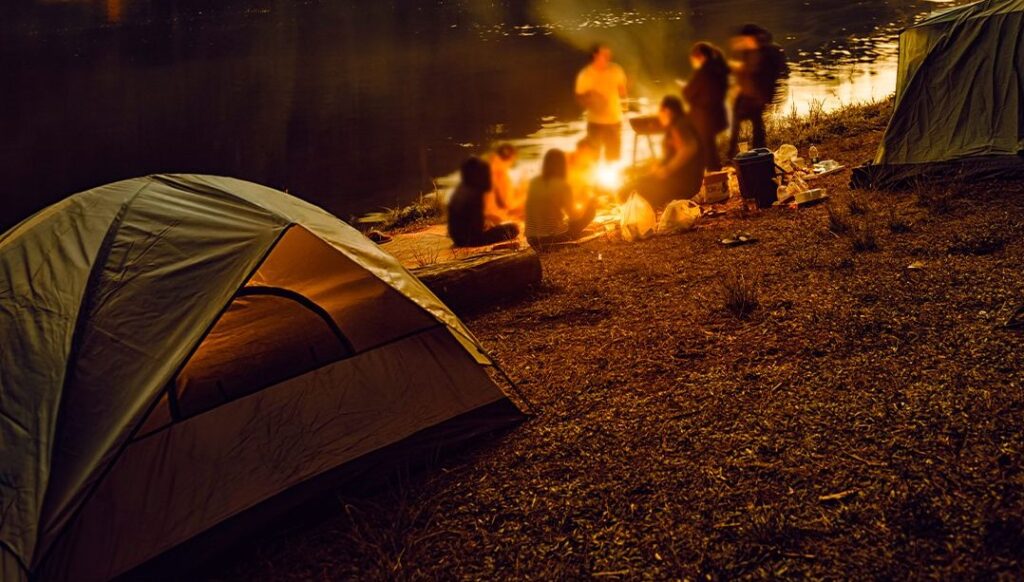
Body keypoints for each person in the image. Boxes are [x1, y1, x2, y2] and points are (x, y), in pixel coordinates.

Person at [625, 96, 705, 209]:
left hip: (684, 184)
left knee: (638, 188)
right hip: (684, 181)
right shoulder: (678, 125)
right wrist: (659, 167)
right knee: (641, 182)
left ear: (667, 111)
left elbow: (689, 147)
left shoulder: (680, 125)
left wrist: (667, 170)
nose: (659, 116)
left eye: (660, 112)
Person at [727, 24, 788, 159]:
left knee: (751, 121)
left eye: (743, 39)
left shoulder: (765, 52)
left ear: (750, 37)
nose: (741, 42)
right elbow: (749, 71)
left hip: (756, 95)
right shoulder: (753, 50)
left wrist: (736, 67)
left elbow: (757, 73)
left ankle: (752, 152)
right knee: (753, 121)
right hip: (749, 93)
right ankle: (754, 151)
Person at [525, 149, 597, 248]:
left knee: (563, 222)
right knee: (591, 210)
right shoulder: (563, 185)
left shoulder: (534, 182)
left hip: (531, 239)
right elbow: (574, 216)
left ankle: (574, 233)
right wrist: (587, 203)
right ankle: (573, 234)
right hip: (550, 238)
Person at [448, 157, 520, 247]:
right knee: (514, 228)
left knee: (498, 221)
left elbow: (470, 219)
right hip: (471, 240)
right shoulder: (475, 194)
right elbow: (477, 228)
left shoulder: (461, 189)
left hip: (458, 239)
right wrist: (489, 225)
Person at [575, 44, 628, 161]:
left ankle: (613, 177)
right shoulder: (585, 75)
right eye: (605, 54)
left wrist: (624, 109)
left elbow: (623, 91)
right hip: (595, 122)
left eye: (609, 54)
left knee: (613, 157)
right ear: (595, 55)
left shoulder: (616, 70)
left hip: (614, 121)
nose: (608, 57)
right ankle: (594, 178)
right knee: (593, 157)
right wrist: (591, 101)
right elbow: (579, 97)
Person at [683, 42, 729, 171]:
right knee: (710, 148)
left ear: (700, 57)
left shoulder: (703, 72)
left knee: (708, 150)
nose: (693, 62)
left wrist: (685, 89)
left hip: (705, 117)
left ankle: (714, 178)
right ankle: (715, 176)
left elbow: (688, 92)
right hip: (716, 114)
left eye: (693, 59)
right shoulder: (719, 68)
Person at [485, 143, 524, 222]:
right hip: (493, 218)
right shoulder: (500, 173)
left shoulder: (486, 168)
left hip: (482, 217)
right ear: (512, 158)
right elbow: (508, 204)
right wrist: (524, 195)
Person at [566, 137, 599, 206]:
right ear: (578, 150)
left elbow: (588, 188)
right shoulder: (566, 159)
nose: (589, 155)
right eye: (585, 152)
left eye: (590, 153)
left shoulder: (589, 167)